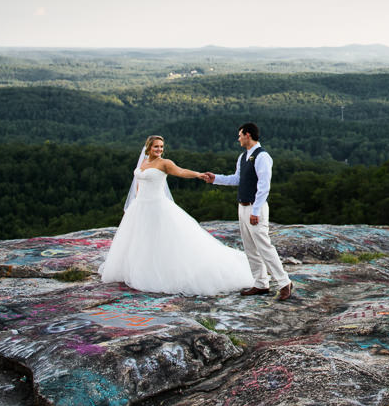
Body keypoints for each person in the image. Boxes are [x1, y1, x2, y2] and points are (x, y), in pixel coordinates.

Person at [101, 135, 253, 296]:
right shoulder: (144, 163)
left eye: (161, 147)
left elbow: (181, 171)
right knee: (141, 239)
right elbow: (139, 182)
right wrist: (136, 200)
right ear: (148, 148)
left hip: (157, 206)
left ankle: (161, 272)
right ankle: (139, 269)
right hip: (140, 206)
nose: (159, 149)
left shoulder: (165, 163)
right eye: (156, 147)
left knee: (163, 239)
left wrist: (197, 174)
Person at [202, 122, 293, 300]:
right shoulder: (243, 156)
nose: (238, 138)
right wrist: (215, 179)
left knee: (264, 246)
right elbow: (237, 179)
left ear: (248, 135)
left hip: (255, 207)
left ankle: (284, 282)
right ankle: (260, 283)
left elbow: (264, 186)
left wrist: (256, 211)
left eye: (240, 135)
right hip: (242, 206)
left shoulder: (262, 156)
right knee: (250, 248)